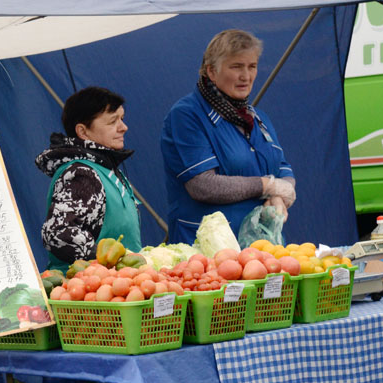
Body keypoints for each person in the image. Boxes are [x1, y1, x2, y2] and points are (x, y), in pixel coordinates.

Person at [160, 29, 295, 244]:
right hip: (209, 253)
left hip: (263, 248)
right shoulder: (186, 115)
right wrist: (266, 186)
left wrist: (279, 195)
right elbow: (203, 186)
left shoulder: (258, 117)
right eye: (236, 67)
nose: (246, 76)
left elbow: (283, 170)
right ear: (211, 71)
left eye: (252, 66)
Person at [35, 87, 141, 271]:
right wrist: (109, 259)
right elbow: (58, 233)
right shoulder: (83, 174)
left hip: (116, 287)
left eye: (122, 119)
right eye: (112, 121)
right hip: (86, 291)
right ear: (83, 132)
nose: (124, 127)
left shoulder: (105, 168)